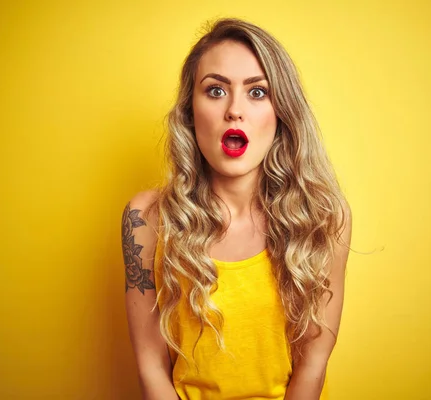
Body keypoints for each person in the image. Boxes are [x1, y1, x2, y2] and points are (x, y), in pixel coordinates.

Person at [121, 17, 352, 400]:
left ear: (282, 113)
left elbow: (313, 363)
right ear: (189, 111)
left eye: (257, 93)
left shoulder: (325, 218)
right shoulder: (145, 219)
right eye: (215, 91)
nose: (234, 110)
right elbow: (150, 368)